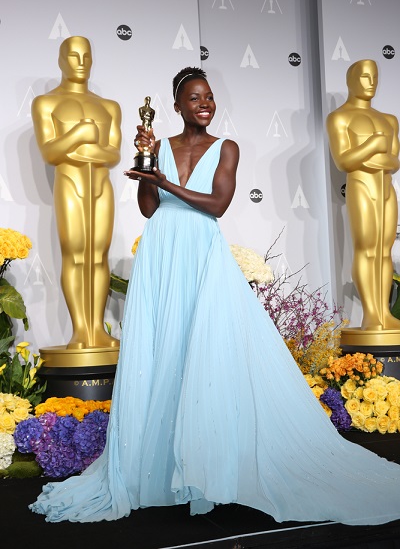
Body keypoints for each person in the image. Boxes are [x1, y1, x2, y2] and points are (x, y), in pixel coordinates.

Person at [30, 66, 400, 524]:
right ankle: (158, 469)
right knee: (162, 352)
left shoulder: (226, 147)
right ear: (178, 105)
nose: (205, 103)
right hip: (163, 251)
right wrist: (148, 168)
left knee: (202, 352)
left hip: (201, 250)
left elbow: (217, 205)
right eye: (194, 97)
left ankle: (206, 465)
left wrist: (165, 182)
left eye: (208, 97)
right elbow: (149, 209)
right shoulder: (159, 145)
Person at [31, 36, 122, 350]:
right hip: (70, 183)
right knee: (76, 254)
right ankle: (80, 331)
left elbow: (113, 155)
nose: (81, 63)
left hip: (100, 185)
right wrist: (79, 135)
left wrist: (85, 151)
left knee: (98, 256)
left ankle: (98, 328)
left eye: (86, 56)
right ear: (60, 60)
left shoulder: (108, 106)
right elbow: (50, 151)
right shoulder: (46, 103)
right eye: (73, 56)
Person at [327, 59, 400, 331]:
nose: (371, 83)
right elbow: (344, 161)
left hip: (386, 188)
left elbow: (394, 162)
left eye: (375, 77)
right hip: (361, 185)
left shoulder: (389, 119)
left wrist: (374, 158)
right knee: (367, 248)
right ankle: (371, 314)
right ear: (352, 80)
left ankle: (384, 312)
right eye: (365, 77)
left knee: (384, 251)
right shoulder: (340, 118)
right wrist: (374, 145)